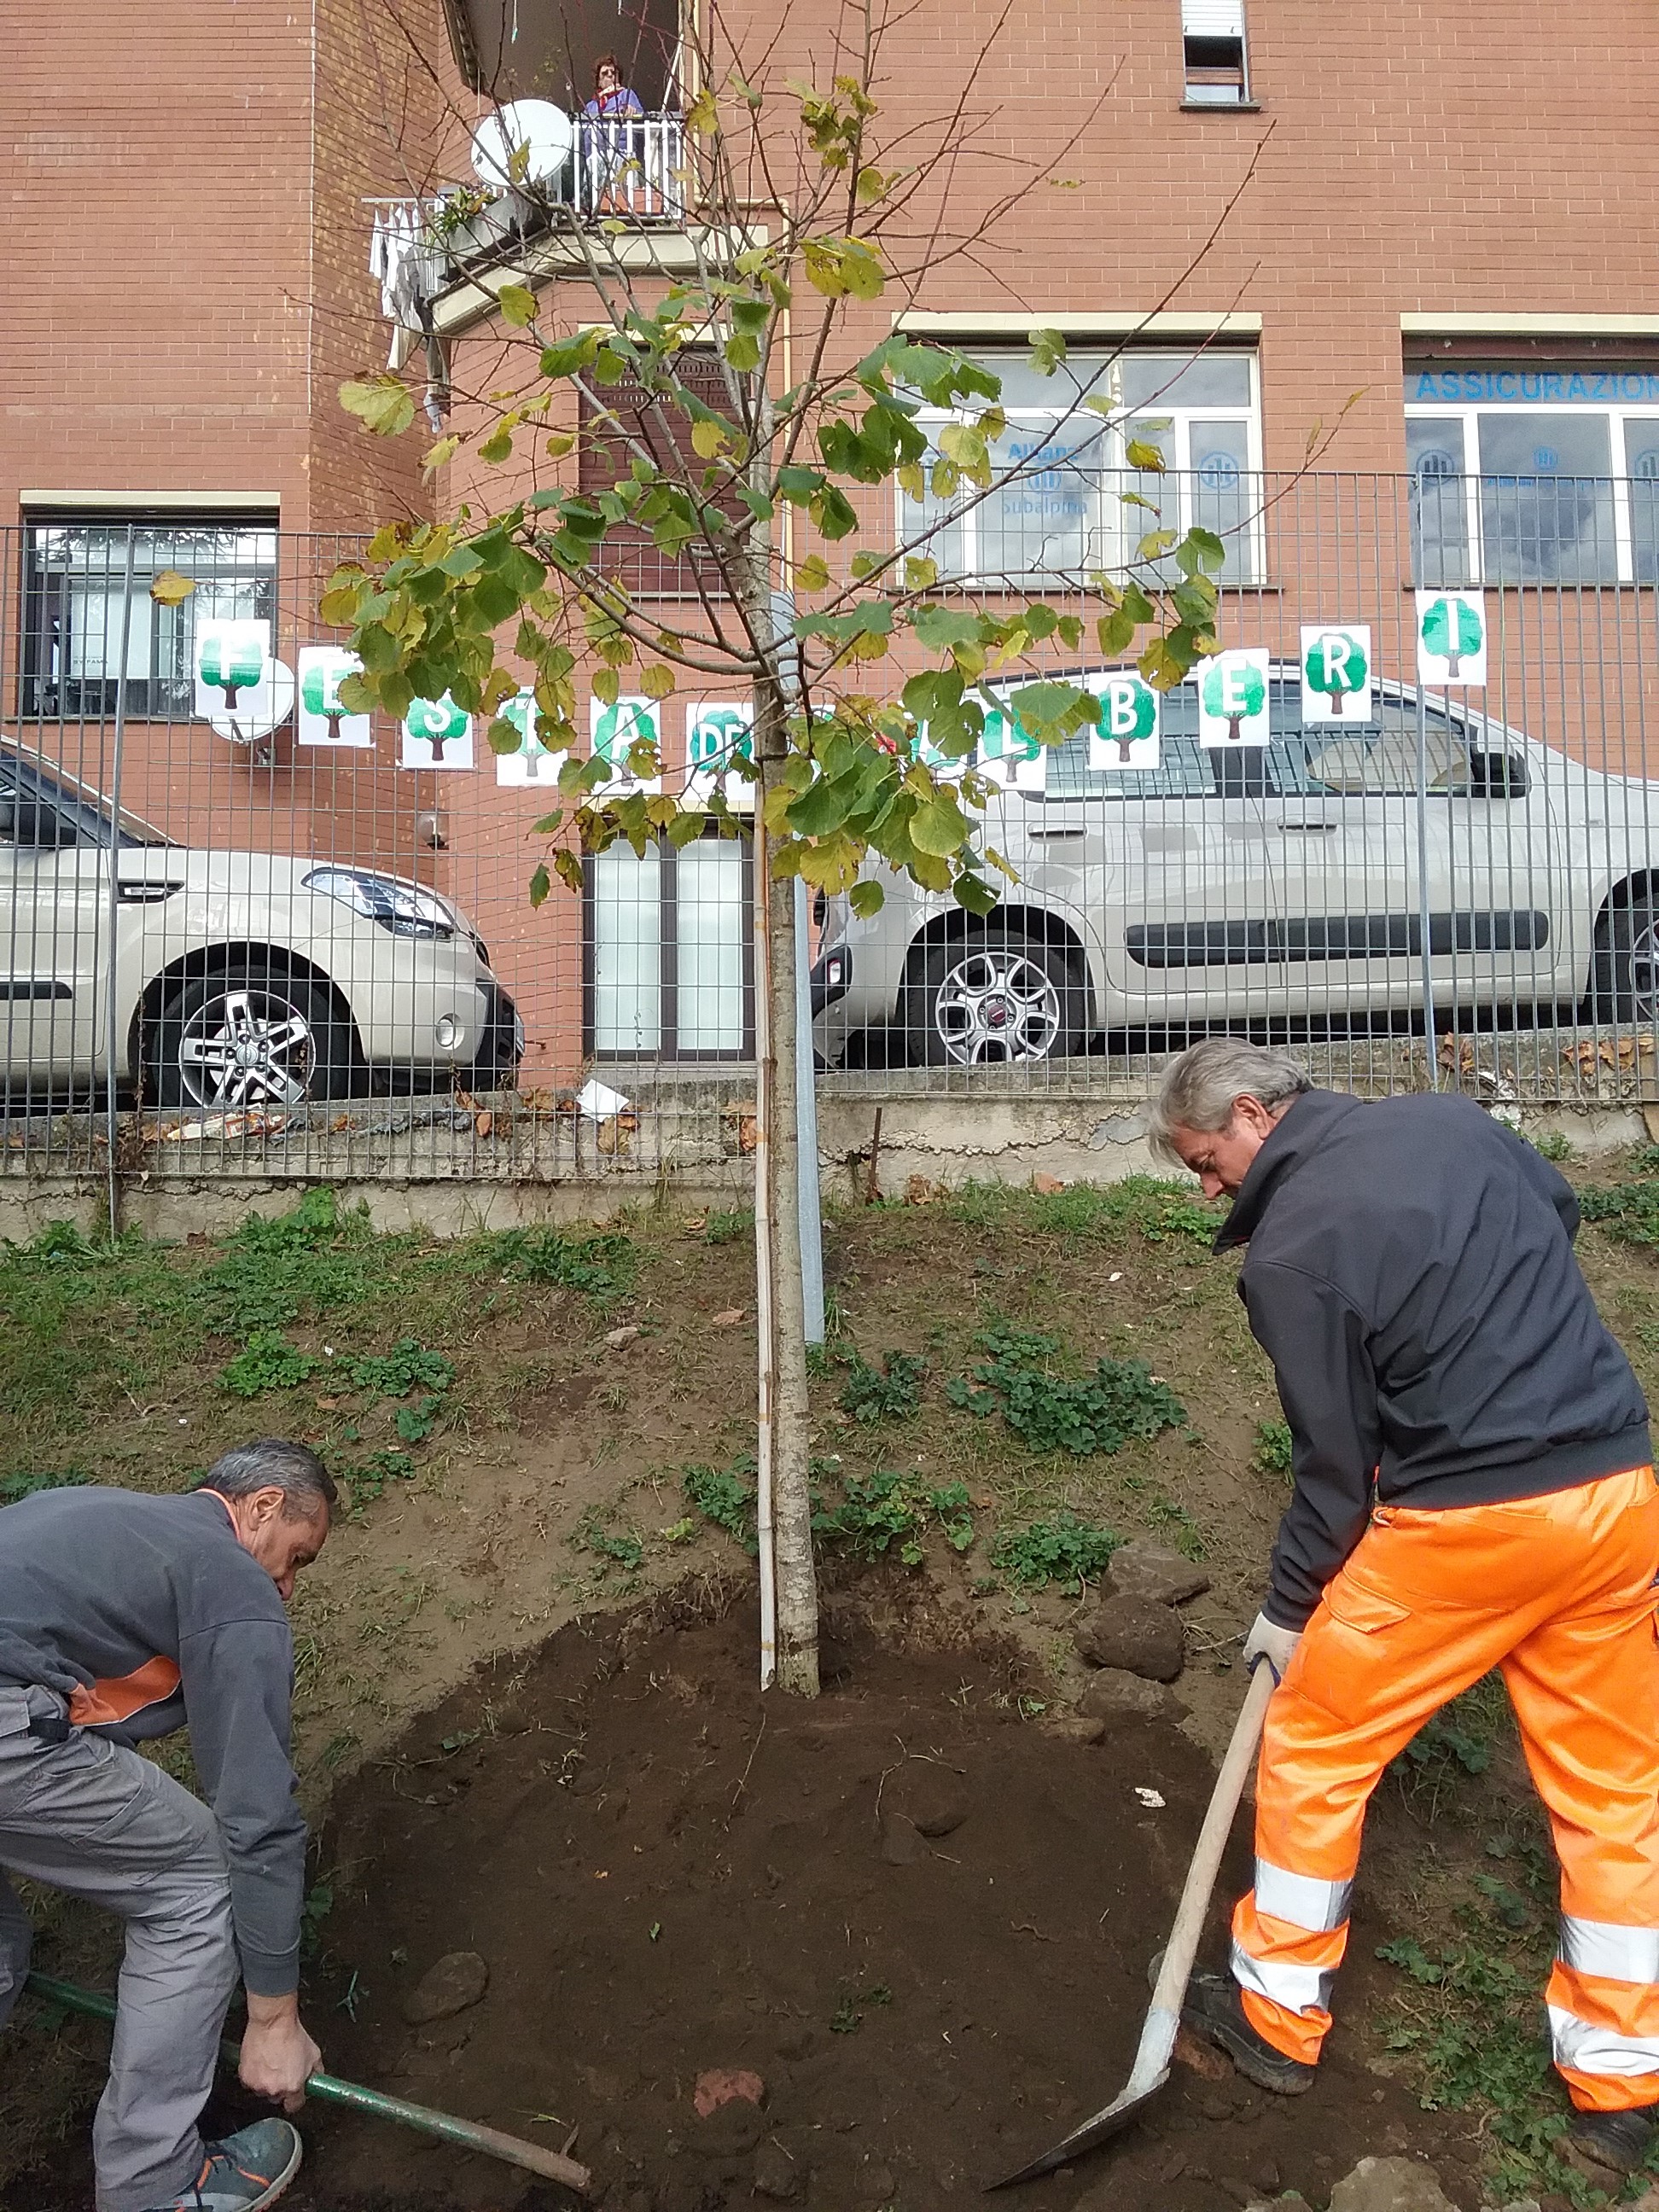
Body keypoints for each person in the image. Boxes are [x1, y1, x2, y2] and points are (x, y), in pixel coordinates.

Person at [1150, 1039, 1659, 2176]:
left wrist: (1290, 1609)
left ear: (1250, 1114)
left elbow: (1338, 1465)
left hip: (1475, 1526)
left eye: (1206, 1162)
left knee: (1319, 1736)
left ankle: (1276, 2015)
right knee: (1615, 1791)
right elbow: (1558, 1214)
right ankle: (1621, 2089)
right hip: (1620, 1495)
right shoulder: (1451, 1124)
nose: (1207, 1189)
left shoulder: (1291, 1252)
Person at [0, 1441, 335, 2212]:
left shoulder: (89, 1510)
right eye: (296, 1557)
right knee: (199, 1883)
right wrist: (275, 2018)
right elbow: (255, 1815)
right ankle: (153, 2186)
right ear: (262, 1506)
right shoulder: (228, 1577)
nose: (284, 1586)